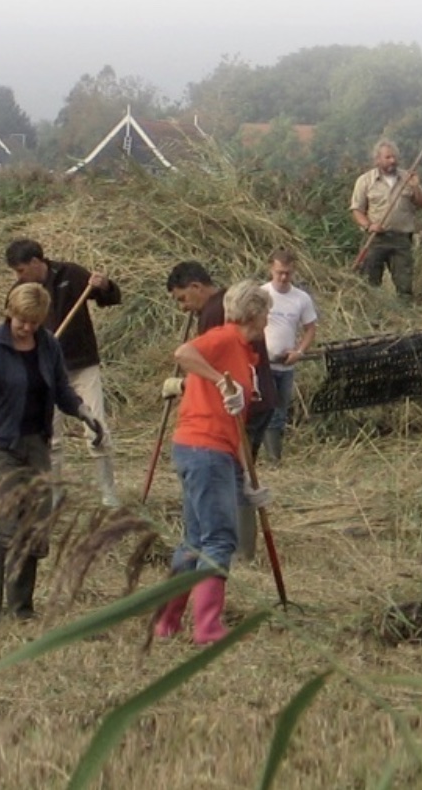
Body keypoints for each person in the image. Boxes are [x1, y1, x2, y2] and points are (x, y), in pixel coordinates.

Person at [0, 282, 104, 623]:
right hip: (1, 445)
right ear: (10, 312)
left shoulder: (48, 345)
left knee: (34, 527)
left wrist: (82, 411)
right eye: (22, 320)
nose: (27, 328)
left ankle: (22, 608)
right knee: (3, 526)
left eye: (34, 322)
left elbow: (61, 388)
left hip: (37, 444)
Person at [153, 281, 273, 646]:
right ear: (255, 315)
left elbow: (234, 421)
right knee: (219, 539)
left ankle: (167, 620)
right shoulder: (224, 339)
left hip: (212, 449)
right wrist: (221, 383)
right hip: (203, 450)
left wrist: (246, 477)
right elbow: (184, 353)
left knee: (194, 539)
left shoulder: (245, 354)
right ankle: (207, 628)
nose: (269, 318)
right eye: (267, 312)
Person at [164, 261, 277, 560]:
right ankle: (240, 553)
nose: (184, 307)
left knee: (205, 536)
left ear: (196, 287)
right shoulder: (226, 330)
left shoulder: (221, 322)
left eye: (183, 299)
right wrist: (205, 384)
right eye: (268, 314)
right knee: (211, 539)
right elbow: (197, 361)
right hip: (206, 440)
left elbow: (212, 371)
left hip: (226, 426)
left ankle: (243, 549)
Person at [5, 239, 122, 507]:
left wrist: (104, 285)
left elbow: (110, 297)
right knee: (50, 436)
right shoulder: (19, 292)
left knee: (97, 427)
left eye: (21, 270)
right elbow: (12, 330)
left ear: (36, 262)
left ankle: (108, 493)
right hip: (45, 372)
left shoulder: (71, 274)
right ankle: (54, 493)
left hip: (82, 365)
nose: (18, 277)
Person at [349, 139, 422, 300]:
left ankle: (405, 317)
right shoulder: (365, 181)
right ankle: (374, 318)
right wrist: (369, 225)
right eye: (388, 157)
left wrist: (415, 187)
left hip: (401, 240)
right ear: (377, 159)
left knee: (404, 286)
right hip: (375, 240)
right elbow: (357, 210)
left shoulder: (408, 178)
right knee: (370, 285)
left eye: (394, 157)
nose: (393, 161)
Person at [260, 249, 318, 464]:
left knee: (280, 411)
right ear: (271, 269)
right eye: (279, 273)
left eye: (288, 273)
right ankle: (270, 457)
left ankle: (274, 455)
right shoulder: (261, 295)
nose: (283, 277)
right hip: (263, 364)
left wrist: (299, 351)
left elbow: (310, 329)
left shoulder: (301, 298)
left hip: (286, 366)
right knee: (266, 410)